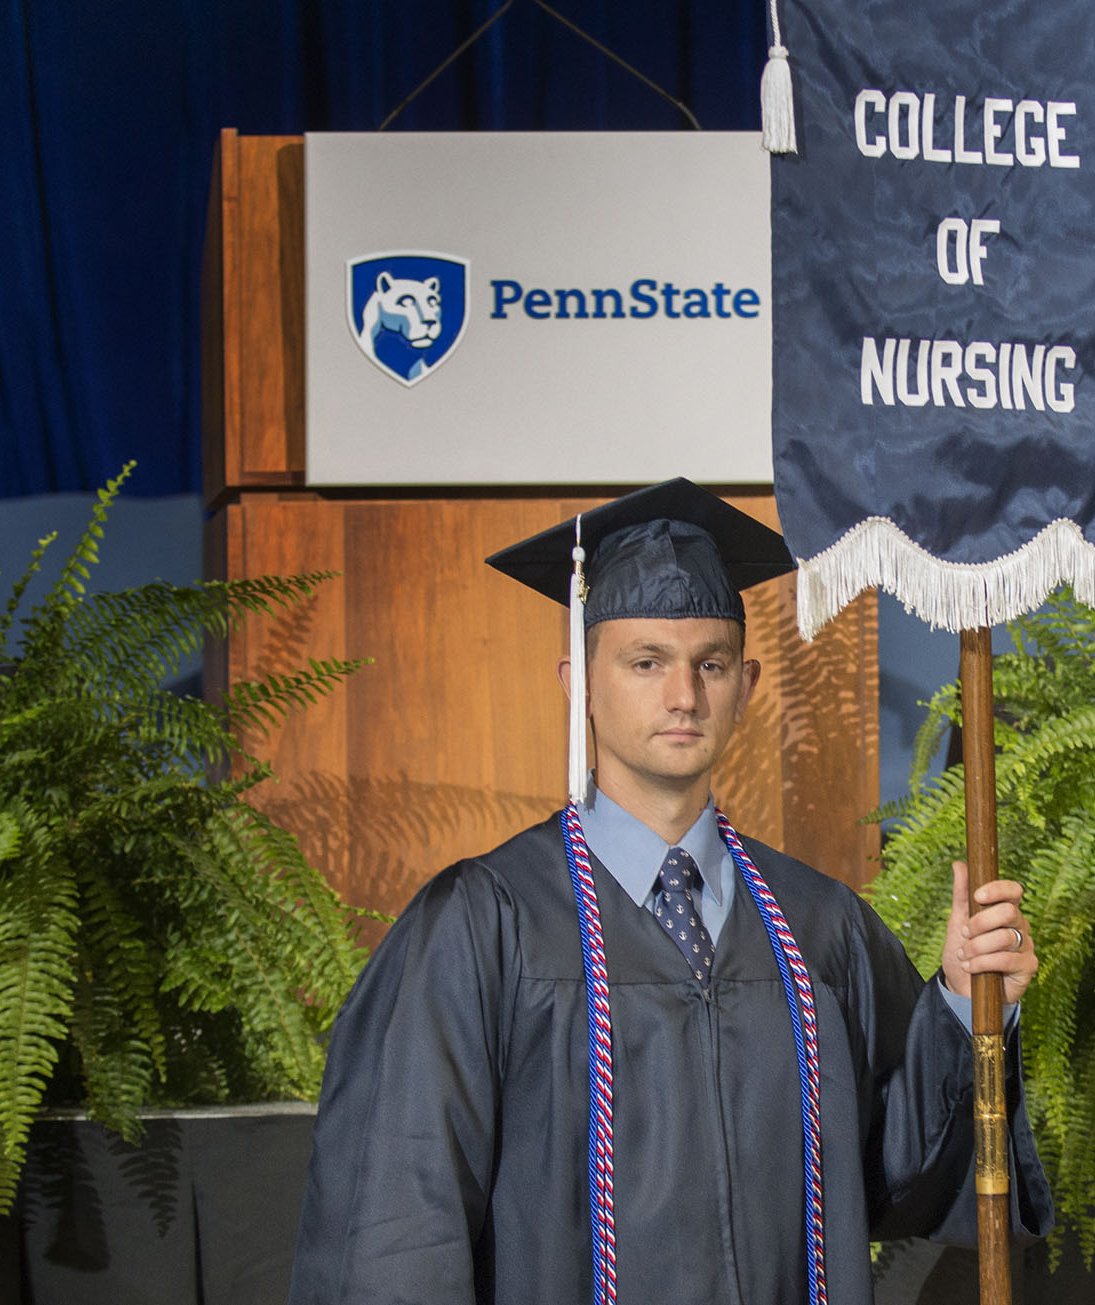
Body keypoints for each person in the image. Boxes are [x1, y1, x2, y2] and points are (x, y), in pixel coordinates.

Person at [290, 479, 1052, 1305]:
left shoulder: (818, 927)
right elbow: (397, 1228)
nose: (683, 695)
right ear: (578, 681)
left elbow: (910, 1171)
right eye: (646, 661)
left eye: (710, 664)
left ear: (747, 686)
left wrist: (969, 1005)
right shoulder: (483, 927)